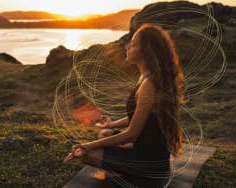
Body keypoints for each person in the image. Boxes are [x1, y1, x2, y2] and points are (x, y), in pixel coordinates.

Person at [63, 23, 185, 187]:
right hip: (146, 150)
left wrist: (86, 145)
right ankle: (128, 168)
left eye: (133, 44)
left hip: (151, 164)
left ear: (145, 52)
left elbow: (132, 134)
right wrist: (113, 124)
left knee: (88, 155)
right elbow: (139, 116)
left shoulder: (149, 85)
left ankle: (140, 176)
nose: (128, 46)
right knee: (106, 133)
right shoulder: (146, 77)